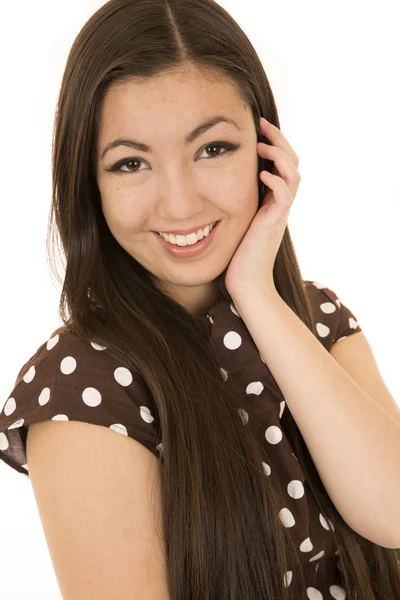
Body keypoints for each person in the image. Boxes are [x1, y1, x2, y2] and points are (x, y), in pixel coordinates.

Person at [1, 0, 399, 598]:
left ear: (267, 153)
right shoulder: (82, 383)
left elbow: (391, 510)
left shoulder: (315, 320)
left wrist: (257, 294)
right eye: (131, 163)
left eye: (212, 149)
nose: (180, 204)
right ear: (91, 185)